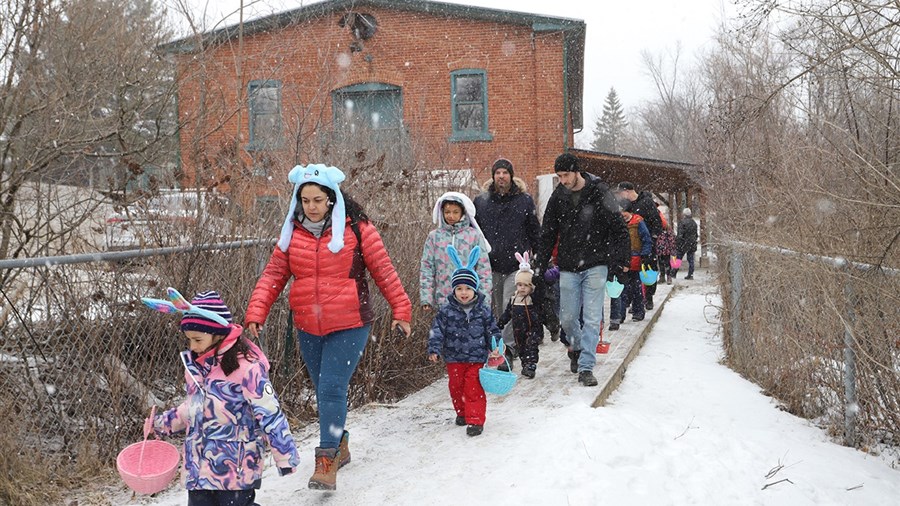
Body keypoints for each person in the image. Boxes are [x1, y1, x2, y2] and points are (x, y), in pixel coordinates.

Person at [245, 164, 412, 491]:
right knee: (325, 390)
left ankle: (326, 460)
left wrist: (401, 309)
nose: (311, 206)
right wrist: (257, 311)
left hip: (351, 323)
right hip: (308, 324)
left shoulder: (359, 229)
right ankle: (340, 439)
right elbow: (273, 275)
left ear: (332, 198)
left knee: (332, 387)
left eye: (318, 199)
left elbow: (385, 272)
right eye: (305, 200)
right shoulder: (291, 233)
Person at [142, 289, 299, 506]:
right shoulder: (197, 369)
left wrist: (285, 455)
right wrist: (163, 424)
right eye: (189, 340)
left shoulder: (247, 369)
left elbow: (270, 414)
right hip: (199, 468)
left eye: (197, 339)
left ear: (218, 335)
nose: (193, 347)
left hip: (235, 469)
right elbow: (194, 407)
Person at [537, 153, 629, 387]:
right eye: (559, 176)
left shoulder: (599, 191)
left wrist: (620, 261)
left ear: (577, 171)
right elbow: (547, 232)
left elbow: (618, 227)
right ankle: (576, 346)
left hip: (597, 263)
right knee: (567, 318)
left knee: (591, 317)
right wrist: (541, 264)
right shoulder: (558, 197)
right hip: (568, 265)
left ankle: (586, 366)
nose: (563, 180)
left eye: (566, 175)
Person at [427, 245, 502, 437]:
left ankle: (475, 420)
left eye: (468, 288)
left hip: (476, 357)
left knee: (473, 387)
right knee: (456, 386)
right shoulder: (446, 311)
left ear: (474, 288)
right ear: (453, 290)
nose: (463, 292)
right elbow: (437, 331)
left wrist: (495, 346)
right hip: (453, 357)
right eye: (459, 288)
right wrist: (434, 349)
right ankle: (462, 412)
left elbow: (492, 330)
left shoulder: (483, 311)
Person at [473, 158, 541, 359]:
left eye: (505, 172)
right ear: (493, 177)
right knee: (493, 308)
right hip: (489, 265)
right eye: (497, 173)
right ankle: (495, 345)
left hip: (516, 265)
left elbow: (534, 230)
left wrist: (539, 258)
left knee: (510, 306)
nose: (501, 176)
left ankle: (508, 348)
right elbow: (473, 231)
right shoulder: (481, 202)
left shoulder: (524, 200)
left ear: (511, 176)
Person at [420, 191, 492, 312]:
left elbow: (484, 269)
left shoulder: (473, 236)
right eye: (447, 212)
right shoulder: (434, 237)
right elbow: (427, 267)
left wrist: (484, 300)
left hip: (470, 300)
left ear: (463, 213)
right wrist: (426, 297)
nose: (451, 216)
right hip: (443, 300)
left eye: (455, 212)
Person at [615, 181, 663, 310]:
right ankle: (635, 301)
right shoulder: (627, 206)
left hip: (647, 244)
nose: (620, 196)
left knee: (648, 271)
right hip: (632, 246)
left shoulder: (646, 202)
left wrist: (652, 239)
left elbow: (657, 223)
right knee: (632, 276)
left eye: (621, 193)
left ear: (627, 191)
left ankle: (648, 298)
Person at [496, 252, 542, 378]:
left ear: (531, 286)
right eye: (519, 285)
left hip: (532, 329)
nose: (522, 288)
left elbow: (540, 310)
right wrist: (501, 322)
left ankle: (530, 366)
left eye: (526, 286)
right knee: (522, 349)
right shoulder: (514, 298)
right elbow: (508, 313)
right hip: (518, 330)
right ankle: (524, 364)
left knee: (531, 348)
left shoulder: (533, 299)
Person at [609, 210, 652, 330]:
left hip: (636, 259)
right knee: (622, 289)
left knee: (636, 287)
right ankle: (620, 315)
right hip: (622, 261)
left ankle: (638, 311)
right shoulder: (618, 223)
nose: (622, 214)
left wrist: (644, 255)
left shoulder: (638, 222)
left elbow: (646, 239)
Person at [676, 207, 699, 280]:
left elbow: (680, 234)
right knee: (691, 259)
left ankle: (673, 273)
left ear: (684, 214)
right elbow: (696, 234)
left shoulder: (682, 222)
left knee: (678, 258)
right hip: (691, 243)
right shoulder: (694, 223)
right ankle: (691, 274)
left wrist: (678, 243)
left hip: (683, 243)